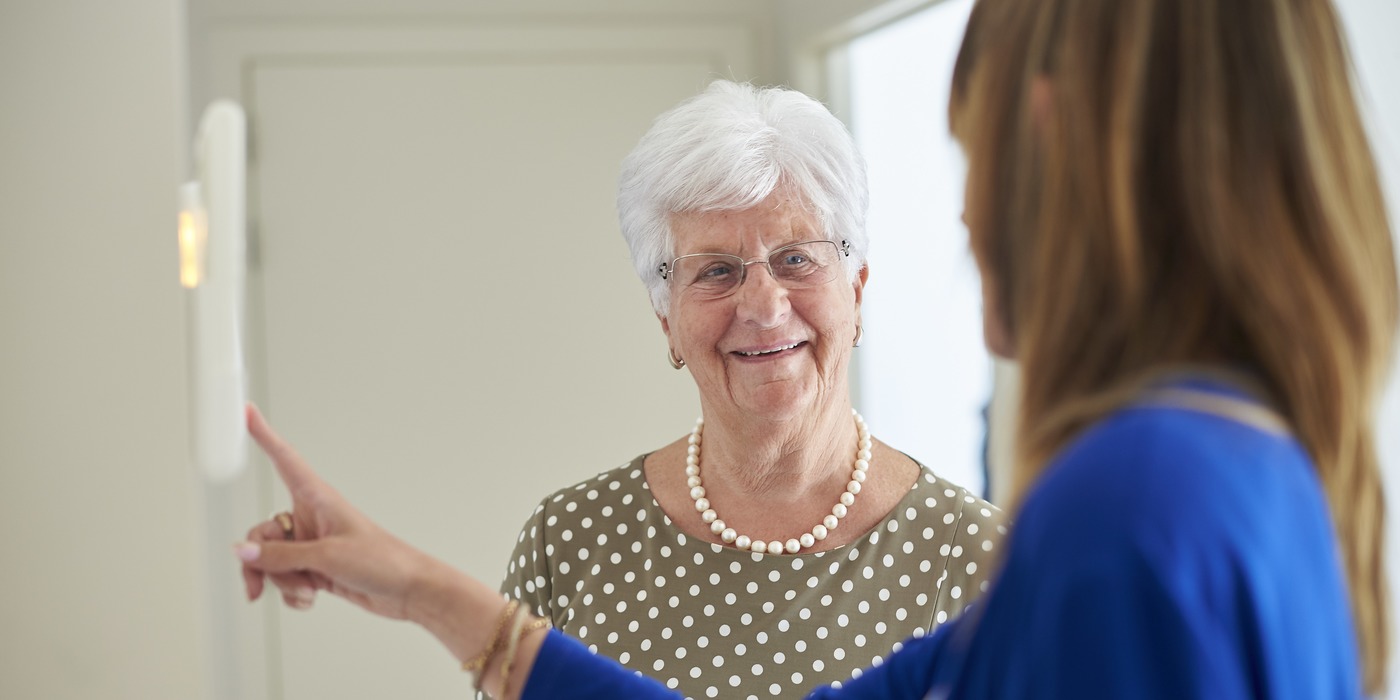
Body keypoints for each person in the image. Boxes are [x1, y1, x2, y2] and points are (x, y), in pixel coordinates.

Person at [235, 0, 1397, 697]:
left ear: (1049, 141)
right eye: (716, 270)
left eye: (968, 147)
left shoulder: (1124, 510)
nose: (963, 217)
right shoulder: (1241, 469)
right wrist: (424, 589)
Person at [489, 79, 1005, 699]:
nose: (763, 306)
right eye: (716, 271)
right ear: (667, 321)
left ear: (857, 290)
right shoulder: (567, 546)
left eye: (796, 259)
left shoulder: (983, 562)